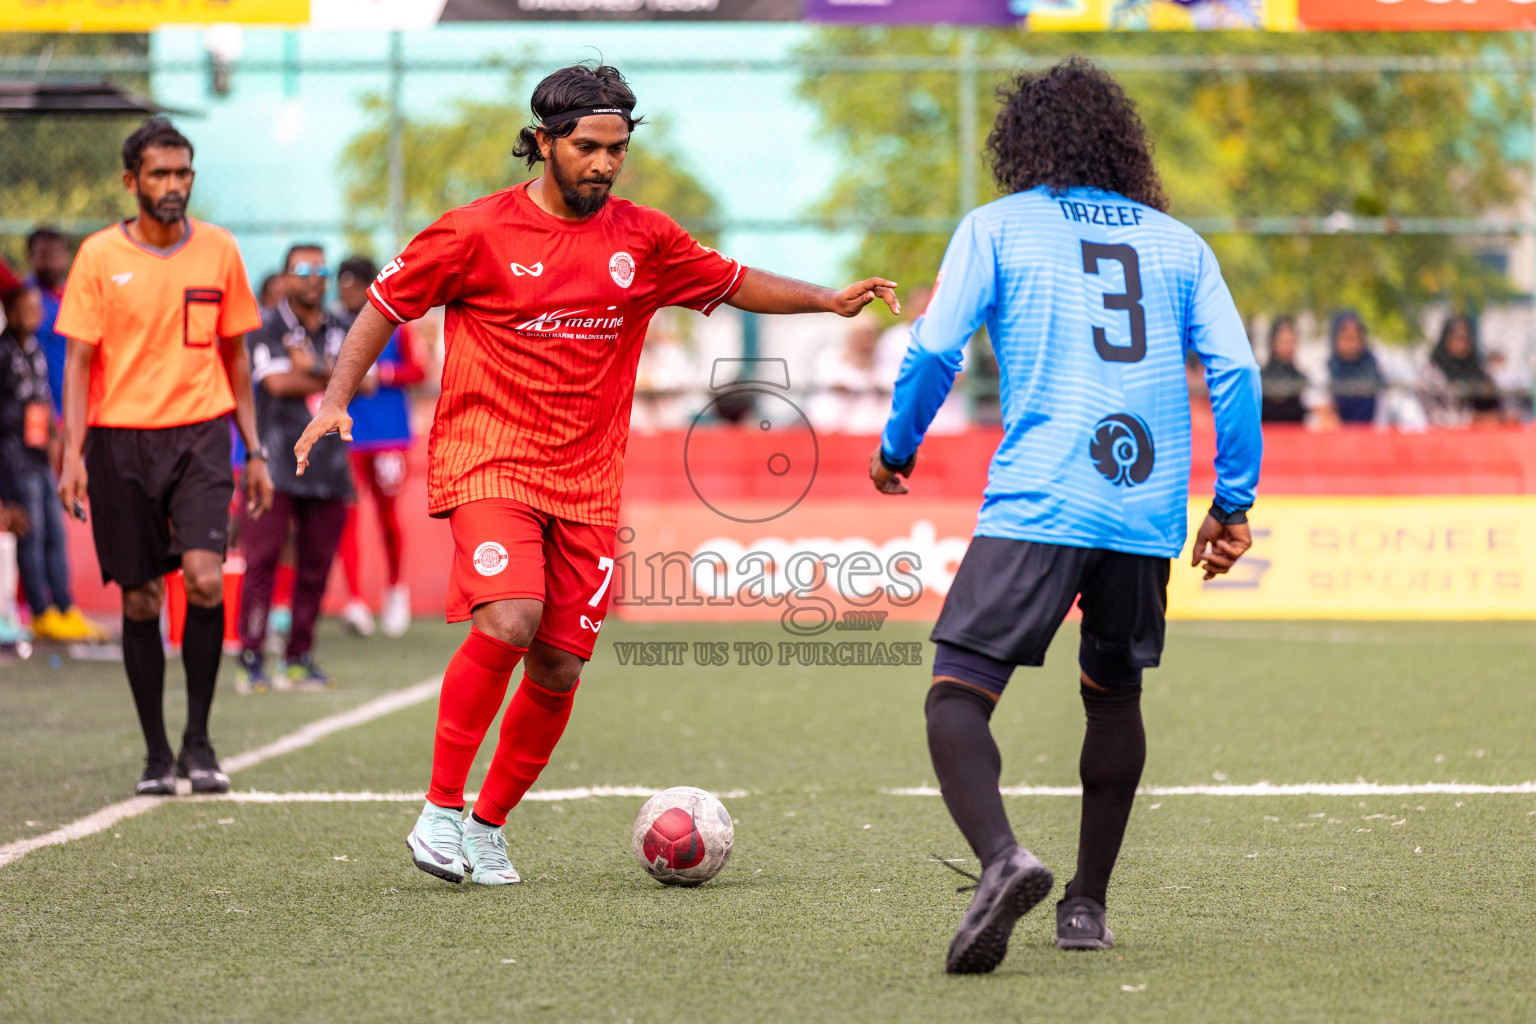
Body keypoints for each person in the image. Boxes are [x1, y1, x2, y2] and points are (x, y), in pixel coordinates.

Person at [294, 62, 899, 887]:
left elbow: (731, 281)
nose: (604, 164)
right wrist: (335, 399)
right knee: (511, 619)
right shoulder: (472, 230)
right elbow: (386, 305)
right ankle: (439, 811)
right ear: (543, 143)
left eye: (617, 149)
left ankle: (486, 826)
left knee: (558, 665)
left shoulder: (645, 239)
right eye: (587, 147)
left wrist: (826, 300)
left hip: (585, 477)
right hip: (489, 456)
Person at [869, 58, 1260, 973]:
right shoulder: (1179, 244)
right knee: (1113, 694)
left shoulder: (996, 227)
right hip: (1146, 506)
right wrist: (1231, 503)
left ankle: (1004, 858)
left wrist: (898, 445)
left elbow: (934, 350)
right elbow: (1237, 374)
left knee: (957, 692)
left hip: (1044, 495)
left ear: (1023, 142)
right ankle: (1086, 905)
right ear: (1122, 145)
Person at [54, 117, 273, 796]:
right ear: (132, 181)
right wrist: (73, 452)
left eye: (183, 174)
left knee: (205, 580)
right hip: (120, 442)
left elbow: (236, 355)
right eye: (160, 175)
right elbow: (78, 362)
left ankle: (199, 744)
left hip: (203, 434)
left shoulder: (219, 249)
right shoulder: (96, 256)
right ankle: (156, 754)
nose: (174, 186)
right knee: (143, 597)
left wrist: (256, 448)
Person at [236, 245, 352, 692]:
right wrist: (334, 377)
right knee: (261, 561)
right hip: (275, 464)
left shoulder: (342, 327)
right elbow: (277, 383)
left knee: (315, 567)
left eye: (321, 270)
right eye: (303, 269)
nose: (314, 278)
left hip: (329, 466)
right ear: (284, 277)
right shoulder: (265, 327)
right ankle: (251, 655)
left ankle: (298, 657)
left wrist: (315, 369)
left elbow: (368, 380)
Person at [333, 254, 429, 638]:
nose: (348, 294)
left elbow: (420, 371)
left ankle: (395, 592)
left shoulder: (398, 322)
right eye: (343, 287)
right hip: (347, 435)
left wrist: (382, 374)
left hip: (389, 435)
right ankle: (356, 600)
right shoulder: (335, 324)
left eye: (353, 285)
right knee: (349, 516)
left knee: (388, 517)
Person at [0, 284, 102, 642]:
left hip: (41, 455)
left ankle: (64, 606)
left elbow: (43, 401)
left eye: (34, 308)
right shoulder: (3, 352)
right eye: (22, 308)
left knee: (56, 533)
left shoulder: (37, 350)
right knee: (33, 533)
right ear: (9, 311)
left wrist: (57, 439)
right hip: (14, 459)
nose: (31, 314)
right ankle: (41, 612)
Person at [807, 312, 891, 433]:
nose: (865, 340)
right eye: (860, 334)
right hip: (838, 438)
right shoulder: (830, 367)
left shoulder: (886, 371)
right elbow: (820, 416)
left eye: (870, 334)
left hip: (874, 438)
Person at [1418, 315, 1501, 428]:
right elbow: (1432, 415)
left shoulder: (1478, 369)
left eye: (1467, 339)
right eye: (1459, 338)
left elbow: (1496, 407)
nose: (1463, 344)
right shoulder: (1433, 372)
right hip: (1445, 436)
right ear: (1446, 339)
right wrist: (1471, 420)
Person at [24, 228, 71, 416]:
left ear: (66, 257)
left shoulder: (77, 295)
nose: (50, 262)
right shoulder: (23, 297)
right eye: (43, 255)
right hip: (34, 408)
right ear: (30, 257)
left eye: (55, 254)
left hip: (72, 406)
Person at [1327, 311, 1384, 425]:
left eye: (1356, 338)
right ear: (1335, 339)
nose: (1353, 345)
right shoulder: (1325, 370)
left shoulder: (1373, 367)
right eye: (1348, 338)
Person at [1260, 316, 1309, 424]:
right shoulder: (1261, 378)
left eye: (1291, 341)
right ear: (1273, 342)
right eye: (1284, 341)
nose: (1289, 347)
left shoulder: (1301, 378)